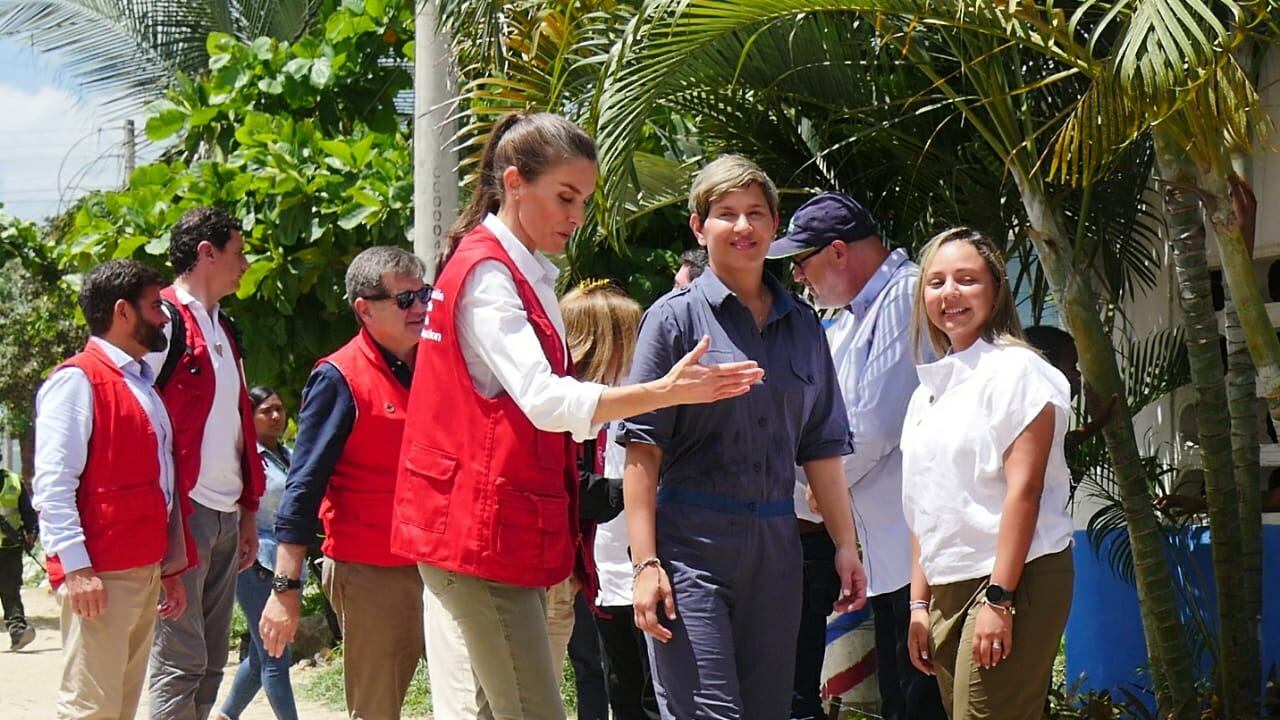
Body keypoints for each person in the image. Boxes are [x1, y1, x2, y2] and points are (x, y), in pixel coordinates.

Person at [390, 111, 764, 719]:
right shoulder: (489, 273)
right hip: (476, 532)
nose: (576, 216)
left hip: (493, 528)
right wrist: (664, 391)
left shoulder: (517, 269)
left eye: (583, 200)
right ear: (514, 183)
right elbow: (547, 401)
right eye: (565, 197)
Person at [620, 155, 868, 720]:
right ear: (698, 227)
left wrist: (846, 546)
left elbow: (823, 449)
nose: (743, 227)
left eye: (756, 213)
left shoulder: (804, 326)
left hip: (778, 551)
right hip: (692, 550)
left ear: (775, 225)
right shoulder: (672, 321)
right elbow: (642, 450)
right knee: (708, 712)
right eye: (726, 213)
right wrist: (646, 564)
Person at [768, 192, 945, 720]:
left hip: (921, 551)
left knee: (920, 702)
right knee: (900, 700)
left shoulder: (906, 295)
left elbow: (872, 424)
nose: (799, 277)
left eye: (801, 262)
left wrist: (818, 494)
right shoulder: (849, 319)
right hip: (887, 553)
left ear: (839, 252)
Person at [901, 227, 1074, 719]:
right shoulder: (926, 393)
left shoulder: (1019, 371)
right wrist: (919, 605)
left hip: (1014, 577)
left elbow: (1026, 489)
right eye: (935, 282)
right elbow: (922, 506)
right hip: (948, 585)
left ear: (996, 290)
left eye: (966, 279)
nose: (949, 293)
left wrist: (1000, 599)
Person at [261, 247, 428, 720]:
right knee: (377, 709)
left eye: (424, 295)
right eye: (405, 299)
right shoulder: (339, 378)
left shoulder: (435, 363)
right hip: (373, 570)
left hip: (439, 562)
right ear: (364, 309)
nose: (419, 307)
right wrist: (285, 587)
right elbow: (303, 488)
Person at [33, 259, 189, 719]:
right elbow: (53, 484)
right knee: (90, 708)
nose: (164, 316)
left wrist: (170, 566)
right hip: (100, 572)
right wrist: (77, 569)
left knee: (118, 706)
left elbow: (158, 480)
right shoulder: (77, 380)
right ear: (123, 312)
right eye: (155, 306)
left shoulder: (138, 381)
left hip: (138, 567)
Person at [146, 206, 265, 720]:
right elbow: (139, 417)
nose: (245, 264)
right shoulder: (163, 321)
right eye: (238, 253)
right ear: (205, 253)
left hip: (224, 514)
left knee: (212, 659)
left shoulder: (225, 328)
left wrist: (248, 512)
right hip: (182, 513)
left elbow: (238, 423)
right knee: (179, 659)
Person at [553, 280, 640, 720]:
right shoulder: (563, 405)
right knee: (606, 678)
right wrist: (635, 489)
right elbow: (579, 487)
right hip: (584, 568)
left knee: (633, 689)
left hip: (624, 567)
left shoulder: (632, 398)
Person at [217, 387, 298, 720]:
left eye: (280, 409)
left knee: (262, 650)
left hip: (284, 562)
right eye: (266, 411)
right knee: (275, 653)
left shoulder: (290, 455)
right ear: (249, 417)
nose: (276, 416)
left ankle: (226, 715)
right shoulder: (242, 458)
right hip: (252, 561)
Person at [0, 454, 38, 650]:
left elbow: (28, 513)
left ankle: (18, 631)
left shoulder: (13, 481)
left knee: (11, 590)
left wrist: (32, 533)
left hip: (9, 548)